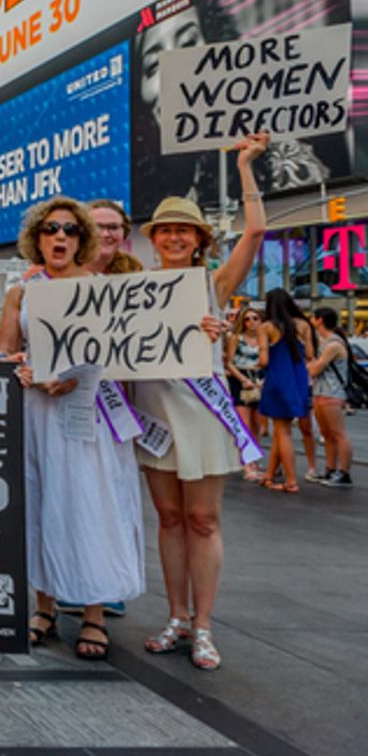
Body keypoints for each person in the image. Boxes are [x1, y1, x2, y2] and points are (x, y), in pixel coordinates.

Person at [136, 134, 267, 672]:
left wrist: (244, 166)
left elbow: (257, 230)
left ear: (197, 239)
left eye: (182, 230)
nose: (172, 236)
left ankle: (206, 626)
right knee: (168, 518)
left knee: (203, 520)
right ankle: (176, 616)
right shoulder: (135, 289)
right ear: (155, 238)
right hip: (155, 414)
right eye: (164, 229)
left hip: (202, 413)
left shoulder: (214, 284)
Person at [0, 198, 144, 661]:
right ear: (36, 238)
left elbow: (123, 360)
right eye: (49, 229)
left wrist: (81, 374)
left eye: (69, 230)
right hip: (36, 414)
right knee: (41, 501)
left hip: (88, 415)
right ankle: (43, 606)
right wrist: (19, 369)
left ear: (81, 238)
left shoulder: (101, 288)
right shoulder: (20, 291)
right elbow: (3, 353)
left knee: (89, 503)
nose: (59, 237)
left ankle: (94, 613)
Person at [256, 288, 312, 494]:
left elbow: (264, 360)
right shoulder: (304, 325)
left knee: (282, 431)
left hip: (278, 378)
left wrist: (258, 363)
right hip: (297, 378)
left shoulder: (267, 327)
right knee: (282, 429)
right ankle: (270, 475)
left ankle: (291, 480)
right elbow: (310, 354)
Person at [308, 308, 354, 487]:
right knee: (326, 434)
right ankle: (330, 469)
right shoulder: (324, 342)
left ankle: (344, 472)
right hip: (320, 392)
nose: (311, 320)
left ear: (320, 320)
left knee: (338, 433)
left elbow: (314, 369)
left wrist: (311, 365)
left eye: (313, 317)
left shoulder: (334, 344)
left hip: (332, 392)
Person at [225, 308, 266, 481]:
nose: (251, 322)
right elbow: (229, 362)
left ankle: (255, 460)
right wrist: (242, 379)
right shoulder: (236, 338)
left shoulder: (264, 340)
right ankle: (247, 465)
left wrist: (262, 380)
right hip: (241, 379)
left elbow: (267, 362)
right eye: (247, 319)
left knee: (258, 425)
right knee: (245, 425)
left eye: (255, 318)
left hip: (259, 379)